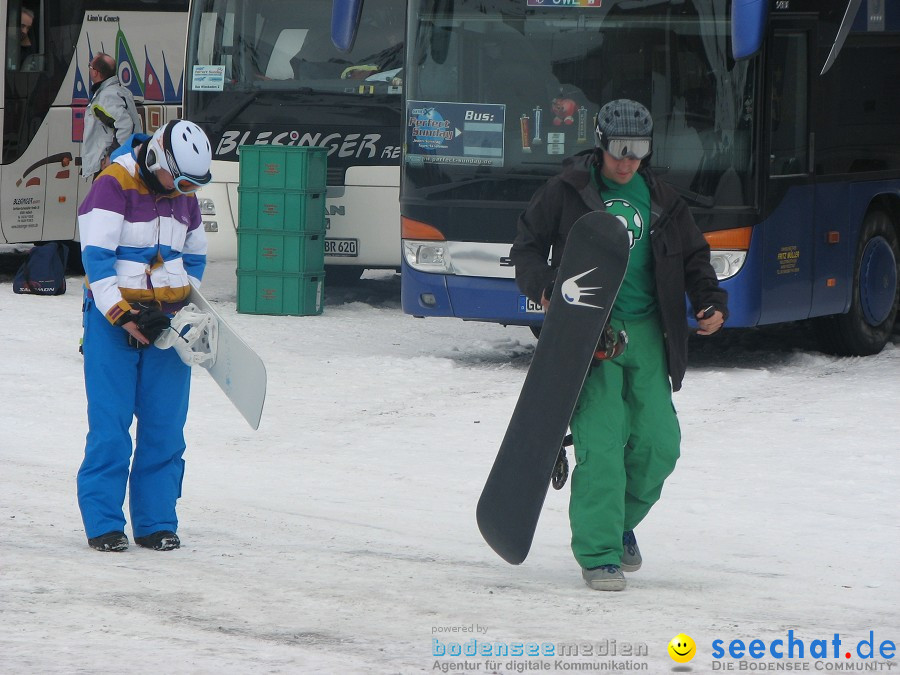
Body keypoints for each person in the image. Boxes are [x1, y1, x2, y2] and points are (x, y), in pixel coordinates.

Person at [510, 99, 727, 591]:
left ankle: (619, 523)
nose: (628, 161)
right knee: (602, 445)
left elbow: (694, 257)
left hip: (650, 332)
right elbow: (525, 246)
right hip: (589, 335)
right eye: (619, 150)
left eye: (639, 151)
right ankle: (599, 553)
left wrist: (710, 300)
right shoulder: (567, 192)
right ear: (601, 143)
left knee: (659, 444)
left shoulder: (665, 201)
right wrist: (545, 286)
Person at [77, 119, 213, 552]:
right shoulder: (112, 184)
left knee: (165, 427)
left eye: (194, 184)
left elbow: (195, 255)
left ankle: (156, 522)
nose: (185, 190)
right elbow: (96, 262)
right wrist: (124, 314)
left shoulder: (183, 197)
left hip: (166, 325)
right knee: (111, 428)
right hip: (112, 321)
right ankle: (103, 524)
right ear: (156, 157)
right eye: (182, 179)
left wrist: (184, 308)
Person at [81, 52, 142, 180]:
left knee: (102, 198)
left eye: (90, 67)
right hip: (123, 162)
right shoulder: (119, 91)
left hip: (110, 167)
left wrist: (113, 156)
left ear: (95, 72)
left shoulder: (105, 98)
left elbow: (125, 126)